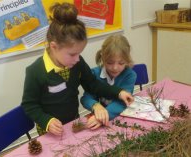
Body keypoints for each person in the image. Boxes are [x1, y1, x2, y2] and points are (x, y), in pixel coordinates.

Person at [21, 2, 134, 137]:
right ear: (54, 46)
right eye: (72, 54)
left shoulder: (76, 64)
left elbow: (93, 85)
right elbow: (29, 105)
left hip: (73, 123)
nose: (77, 59)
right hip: (49, 130)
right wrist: (47, 121)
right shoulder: (35, 72)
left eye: (79, 53)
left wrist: (119, 92)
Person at [81, 34, 136, 130]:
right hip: (99, 117)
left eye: (121, 63)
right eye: (110, 62)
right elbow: (86, 98)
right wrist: (95, 105)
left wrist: (103, 116)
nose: (115, 68)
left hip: (119, 118)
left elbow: (123, 103)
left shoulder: (130, 75)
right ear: (103, 58)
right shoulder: (94, 73)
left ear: (127, 60)